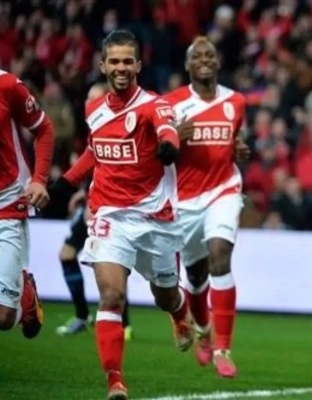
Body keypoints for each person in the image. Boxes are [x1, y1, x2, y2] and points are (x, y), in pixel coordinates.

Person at [49, 29, 192, 400]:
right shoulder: (94, 109)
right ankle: (115, 381)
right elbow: (94, 152)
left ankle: (179, 312)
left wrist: (169, 146)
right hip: (110, 214)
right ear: (103, 65)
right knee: (112, 296)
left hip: (156, 218)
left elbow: (168, 130)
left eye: (128, 61)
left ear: (139, 65)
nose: (121, 67)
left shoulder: (154, 105)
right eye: (114, 61)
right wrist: (63, 184)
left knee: (165, 295)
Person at [162, 36, 248, 378]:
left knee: (220, 256)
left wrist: (240, 149)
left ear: (218, 61)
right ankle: (202, 330)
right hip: (184, 200)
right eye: (197, 56)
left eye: (210, 55)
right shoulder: (172, 104)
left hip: (223, 190)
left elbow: (234, 140)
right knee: (195, 278)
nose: (204, 60)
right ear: (187, 65)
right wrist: (173, 139)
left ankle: (223, 348)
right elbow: (157, 153)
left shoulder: (236, 101)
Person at [55, 83, 133, 340]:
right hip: (92, 200)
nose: (91, 104)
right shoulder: (92, 131)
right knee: (67, 255)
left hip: (109, 207)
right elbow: (95, 167)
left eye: (95, 99)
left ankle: (122, 322)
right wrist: (82, 193)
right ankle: (83, 315)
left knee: (114, 263)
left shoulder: (118, 130)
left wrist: (91, 202)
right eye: (88, 99)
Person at [0, 70, 53, 339]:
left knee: (3, 318)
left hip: (8, 202)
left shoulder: (7, 85)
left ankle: (25, 295)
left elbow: (43, 129)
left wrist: (39, 179)